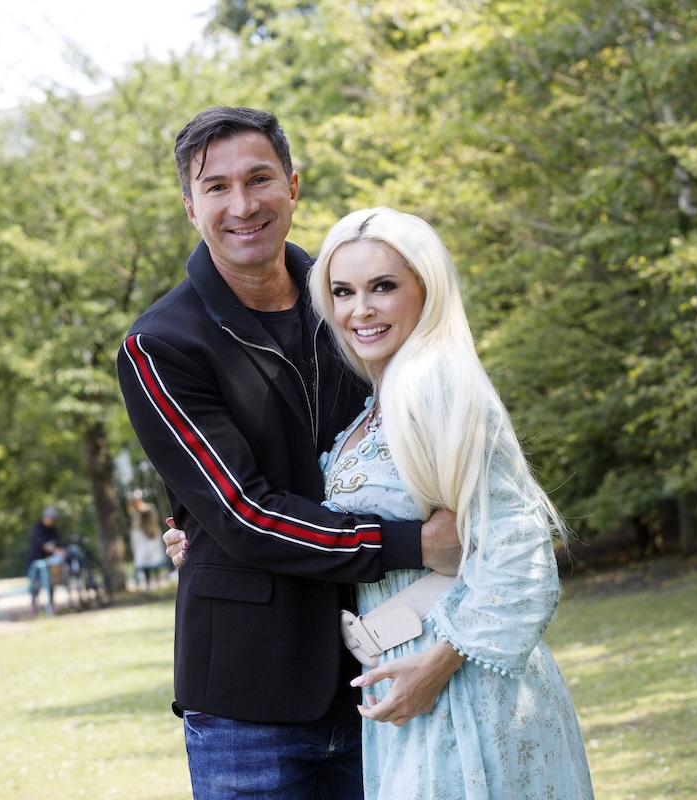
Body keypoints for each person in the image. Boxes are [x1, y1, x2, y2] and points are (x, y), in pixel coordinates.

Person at [116, 106, 459, 800]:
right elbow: (243, 516)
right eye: (216, 187)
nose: (242, 205)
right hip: (252, 698)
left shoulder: (353, 306)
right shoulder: (159, 345)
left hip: (392, 664)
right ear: (190, 205)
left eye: (259, 179)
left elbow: (426, 443)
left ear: (294, 187)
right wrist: (416, 541)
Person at [308, 207, 596, 798]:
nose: (359, 309)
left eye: (382, 287)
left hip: (464, 680)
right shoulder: (375, 405)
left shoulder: (439, 384)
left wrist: (435, 666)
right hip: (402, 680)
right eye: (343, 291)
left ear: (426, 289)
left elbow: (519, 549)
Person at [26, 506, 64, 611]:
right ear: (45, 517)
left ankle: (51, 605)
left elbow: (59, 542)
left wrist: (61, 550)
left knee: (52, 583)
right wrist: (56, 550)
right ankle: (34, 606)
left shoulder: (53, 530)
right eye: (51, 518)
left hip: (50, 562)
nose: (52, 521)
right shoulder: (38, 528)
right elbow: (43, 545)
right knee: (35, 586)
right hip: (36, 561)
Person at [128, 497, 168, 590]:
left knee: (154, 560)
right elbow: (135, 526)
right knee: (144, 561)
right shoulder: (134, 513)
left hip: (151, 536)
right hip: (141, 539)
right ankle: (148, 583)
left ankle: (157, 581)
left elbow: (154, 521)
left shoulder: (148, 509)